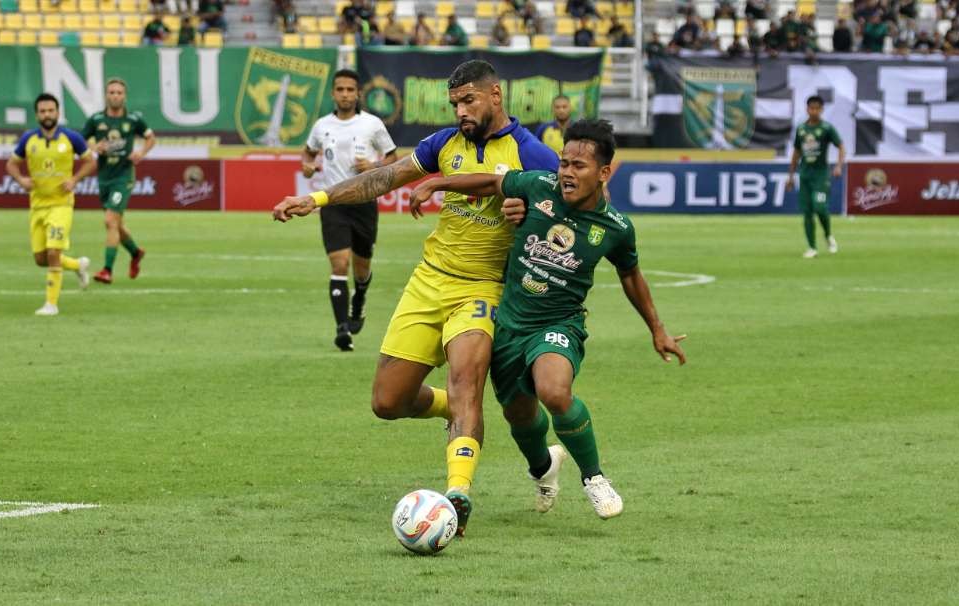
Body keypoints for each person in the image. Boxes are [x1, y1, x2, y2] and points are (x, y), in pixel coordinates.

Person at [271, 60, 559, 536]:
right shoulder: (444, 145)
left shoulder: (533, 154)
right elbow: (383, 179)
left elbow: (559, 225)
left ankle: (459, 494)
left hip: (483, 287)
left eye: (468, 101)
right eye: (454, 104)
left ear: (495, 95)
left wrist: (526, 216)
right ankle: (460, 413)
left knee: (468, 381)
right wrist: (317, 200)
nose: (461, 111)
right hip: (429, 281)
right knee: (388, 401)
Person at [408, 119, 686, 519]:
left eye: (579, 166)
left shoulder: (617, 228)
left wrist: (657, 329)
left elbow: (631, 276)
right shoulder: (538, 187)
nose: (568, 173)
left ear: (604, 172)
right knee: (519, 415)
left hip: (559, 325)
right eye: (564, 163)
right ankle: (543, 467)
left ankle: (594, 477)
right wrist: (437, 183)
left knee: (553, 391)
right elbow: (490, 182)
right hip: (509, 326)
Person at [300, 69, 398, 351]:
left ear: (357, 94)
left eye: (349, 90)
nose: (345, 94)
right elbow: (307, 153)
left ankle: (360, 298)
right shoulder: (321, 126)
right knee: (339, 263)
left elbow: (392, 157)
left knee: (362, 267)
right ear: (333, 93)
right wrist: (307, 167)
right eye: (340, 89)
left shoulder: (372, 124)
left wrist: (375, 166)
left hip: (365, 203)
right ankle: (342, 329)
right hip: (332, 202)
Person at [5, 93, 95, 316]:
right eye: (43, 111)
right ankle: (77, 265)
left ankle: (51, 304)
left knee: (54, 251)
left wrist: (74, 179)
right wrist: (21, 180)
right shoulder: (29, 139)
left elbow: (90, 162)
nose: (47, 115)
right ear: (37, 115)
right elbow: (11, 164)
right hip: (37, 206)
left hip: (61, 205)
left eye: (51, 110)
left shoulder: (71, 138)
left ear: (57, 112)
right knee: (41, 259)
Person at [81, 78, 155, 284]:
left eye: (119, 92)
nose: (115, 96)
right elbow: (81, 141)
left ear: (125, 96)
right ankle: (135, 252)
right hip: (104, 177)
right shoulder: (96, 120)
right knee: (117, 225)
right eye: (111, 92)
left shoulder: (133, 119)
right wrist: (94, 148)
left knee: (110, 221)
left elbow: (151, 137)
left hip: (123, 177)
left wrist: (141, 152)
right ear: (106, 95)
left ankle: (107, 270)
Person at [786, 95, 845, 259]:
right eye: (811, 108)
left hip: (820, 176)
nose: (814, 111)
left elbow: (841, 146)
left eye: (817, 108)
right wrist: (790, 176)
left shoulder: (826, 128)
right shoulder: (801, 129)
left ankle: (828, 235)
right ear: (806, 109)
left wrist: (839, 166)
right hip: (805, 176)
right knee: (807, 212)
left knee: (820, 207)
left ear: (821, 109)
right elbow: (796, 153)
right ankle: (812, 247)